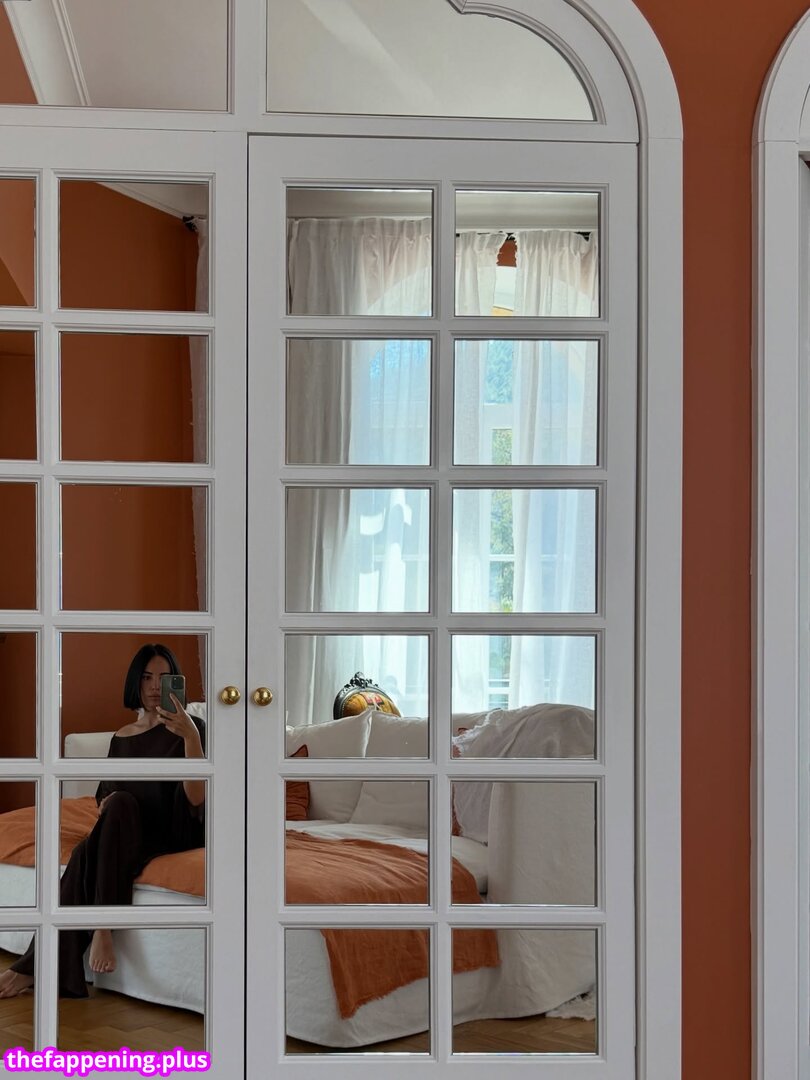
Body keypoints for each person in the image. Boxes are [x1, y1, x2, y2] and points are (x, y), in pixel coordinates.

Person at [0, 643, 206, 999]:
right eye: (146, 677)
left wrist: (190, 737)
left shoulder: (193, 728)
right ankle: (50, 971)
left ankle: (99, 931)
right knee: (88, 846)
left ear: (176, 681)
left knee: (100, 835)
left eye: (163, 678)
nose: (154, 687)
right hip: (130, 829)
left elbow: (196, 798)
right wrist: (107, 805)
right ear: (135, 683)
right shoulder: (121, 738)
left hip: (175, 830)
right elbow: (105, 796)